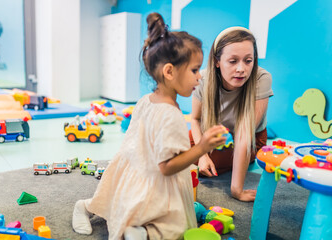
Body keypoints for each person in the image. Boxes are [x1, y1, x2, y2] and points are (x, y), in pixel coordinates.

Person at [72, 12, 227, 240]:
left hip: (136, 168)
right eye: (195, 70)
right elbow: (167, 166)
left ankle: (89, 208)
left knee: (115, 202)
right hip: (155, 174)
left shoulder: (147, 100)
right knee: (177, 227)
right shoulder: (171, 115)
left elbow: (135, 141)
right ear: (170, 71)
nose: (200, 77)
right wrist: (201, 147)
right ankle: (142, 233)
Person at [190, 26, 273, 202]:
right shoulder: (203, 79)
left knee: (211, 163)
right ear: (217, 61)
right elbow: (195, 119)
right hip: (214, 133)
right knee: (175, 149)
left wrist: (237, 190)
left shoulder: (262, 78)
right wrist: (202, 155)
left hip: (248, 136)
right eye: (233, 61)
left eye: (248, 60)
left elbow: (244, 135)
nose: (241, 69)